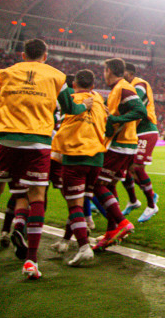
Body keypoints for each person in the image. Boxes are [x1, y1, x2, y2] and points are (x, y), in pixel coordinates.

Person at [0, 39, 92, 280]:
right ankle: (31, 261)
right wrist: (84, 106)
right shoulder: (57, 76)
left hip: (7, 140)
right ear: (45, 56)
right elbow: (69, 108)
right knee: (36, 197)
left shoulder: (7, 72)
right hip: (38, 142)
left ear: (23, 55)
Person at [47, 69, 108, 266]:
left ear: (74, 84)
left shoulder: (70, 100)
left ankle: (83, 247)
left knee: (74, 205)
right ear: (93, 86)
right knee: (79, 204)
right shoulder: (98, 99)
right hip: (96, 157)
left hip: (75, 155)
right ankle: (65, 241)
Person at [91, 57, 146, 251]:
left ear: (110, 70)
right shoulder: (117, 89)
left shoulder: (123, 88)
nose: (103, 74)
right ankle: (111, 231)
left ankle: (122, 223)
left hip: (120, 145)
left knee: (96, 184)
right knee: (110, 185)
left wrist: (115, 119)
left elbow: (140, 111)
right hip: (123, 144)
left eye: (104, 70)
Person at [120, 63, 159, 223]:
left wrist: (117, 117)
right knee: (126, 169)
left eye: (122, 73)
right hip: (135, 132)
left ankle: (151, 205)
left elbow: (137, 106)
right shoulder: (127, 87)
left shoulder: (139, 84)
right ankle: (136, 200)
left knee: (136, 167)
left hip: (146, 130)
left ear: (129, 73)